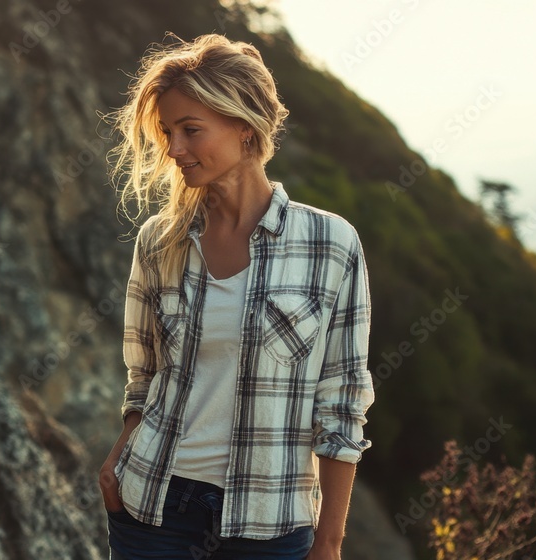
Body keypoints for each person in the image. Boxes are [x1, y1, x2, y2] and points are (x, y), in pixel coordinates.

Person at [98, 33, 375, 560]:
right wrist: (115, 465)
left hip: (268, 525)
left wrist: (329, 543)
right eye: (168, 132)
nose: (175, 149)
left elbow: (341, 402)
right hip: (152, 507)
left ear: (244, 129)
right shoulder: (160, 241)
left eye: (191, 130)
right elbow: (143, 377)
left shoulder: (331, 245)